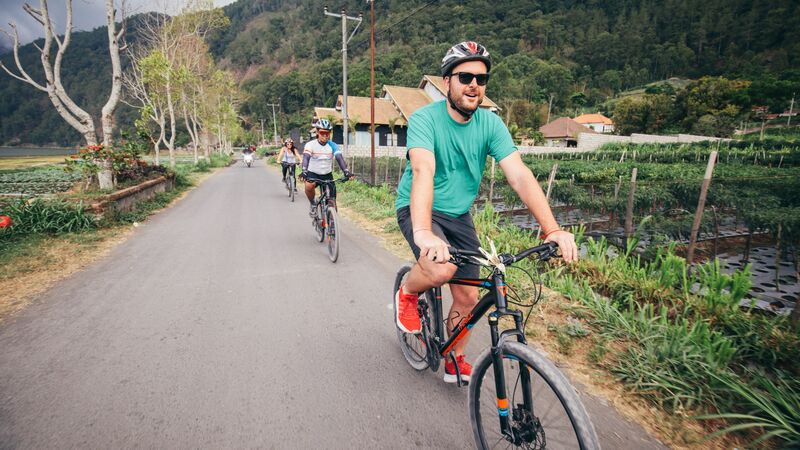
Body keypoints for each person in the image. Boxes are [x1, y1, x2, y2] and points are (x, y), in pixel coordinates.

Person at [393, 41, 579, 384]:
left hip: (458, 214)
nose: (473, 85)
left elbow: (519, 175)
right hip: (420, 207)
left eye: (481, 78)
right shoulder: (424, 120)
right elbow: (423, 171)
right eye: (465, 76)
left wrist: (552, 229)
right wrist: (423, 233)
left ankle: (453, 357)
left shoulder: (491, 126)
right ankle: (407, 290)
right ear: (447, 81)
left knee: (468, 293)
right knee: (440, 269)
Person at [300, 119, 353, 216]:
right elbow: (306, 158)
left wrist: (346, 171)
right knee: (308, 186)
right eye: (322, 132)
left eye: (327, 133)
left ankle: (332, 225)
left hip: (327, 175)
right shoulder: (310, 145)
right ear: (317, 132)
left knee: (332, 203)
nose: (325, 135)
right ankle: (313, 204)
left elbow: (339, 158)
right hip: (313, 173)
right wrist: (304, 171)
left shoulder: (333, 145)